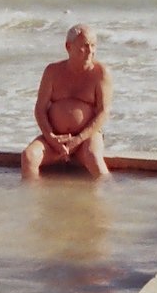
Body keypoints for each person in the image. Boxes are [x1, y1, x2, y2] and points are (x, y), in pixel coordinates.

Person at [21, 24, 112, 179]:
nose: (91, 51)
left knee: (93, 158)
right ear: (68, 46)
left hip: (87, 137)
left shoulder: (100, 73)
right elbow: (40, 109)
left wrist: (78, 139)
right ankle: (35, 200)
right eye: (84, 46)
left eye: (93, 45)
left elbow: (104, 112)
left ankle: (107, 197)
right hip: (55, 138)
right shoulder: (52, 71)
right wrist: (51, 137)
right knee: (28, 156)